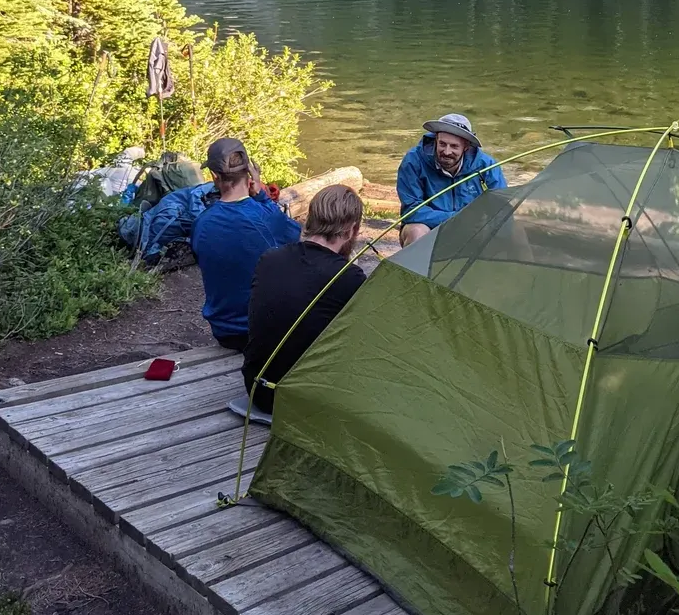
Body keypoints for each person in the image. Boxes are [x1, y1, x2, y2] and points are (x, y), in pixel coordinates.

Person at [241, 184, 367, 415]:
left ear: (311, 220)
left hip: (258, 389)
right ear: (350, 231)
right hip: (304, 400)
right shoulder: (348, 277)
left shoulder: (269, 259)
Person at [190, 138, 300, 350]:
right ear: (249, 173)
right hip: (264, 330)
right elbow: (296, 238)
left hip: (225, 333)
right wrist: (261, 197)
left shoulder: (200, 224)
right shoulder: (268, 215)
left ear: (214, 176)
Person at [396, 113, 506, 248]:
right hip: (431, 229)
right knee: (416, 231)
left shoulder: (486, 165)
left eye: (454, 146)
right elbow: (411, 211)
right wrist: (457, 219)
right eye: (442, 144)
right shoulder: (414, 161)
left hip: (473, 230)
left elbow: (502, 207)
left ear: (466, 146)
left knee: (516, 229)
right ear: (436, 139)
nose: (447, 152)